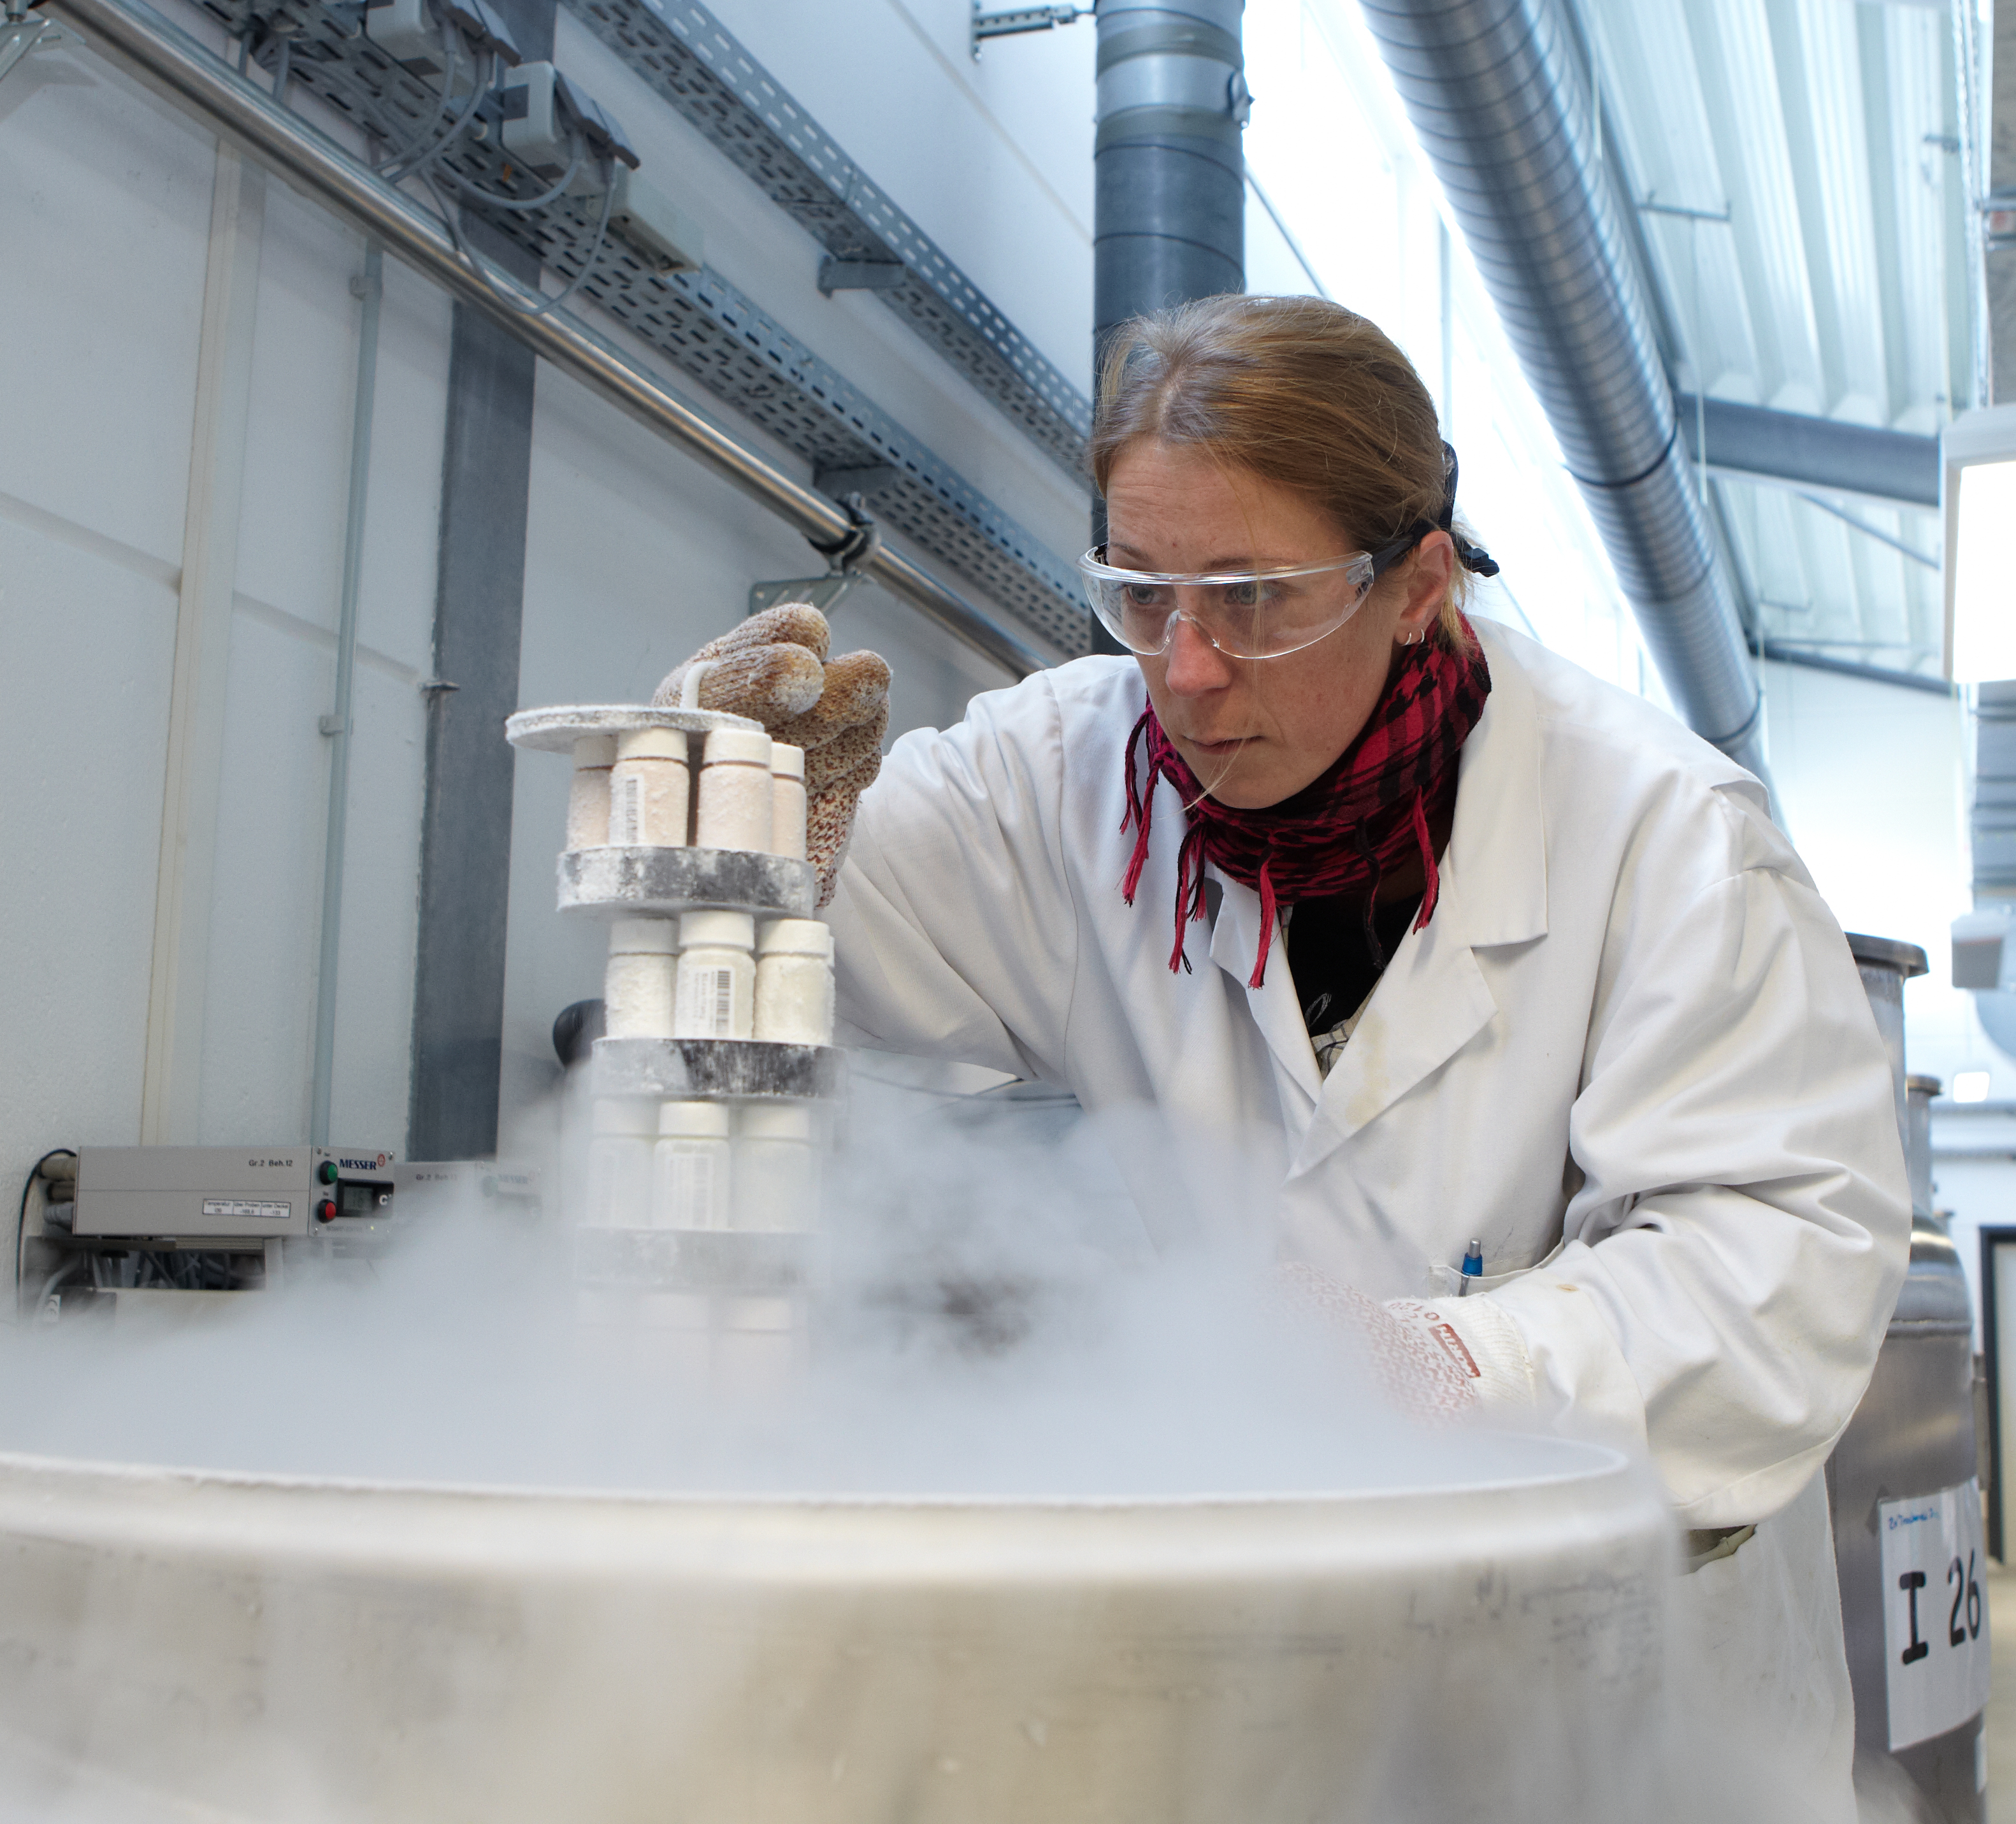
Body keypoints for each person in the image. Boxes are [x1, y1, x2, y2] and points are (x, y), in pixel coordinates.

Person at [659, 293, 1907, 1809]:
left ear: (1419, 584)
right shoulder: (1059, 776)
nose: (1184, 671)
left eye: (1253, 597)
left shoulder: (1661, 835)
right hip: (1251, 1698)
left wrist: (1453, 1371)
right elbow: (770, 985)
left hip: (1616, 1710)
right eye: (1141, 596)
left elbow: (1777, 1262)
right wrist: (727, 811)